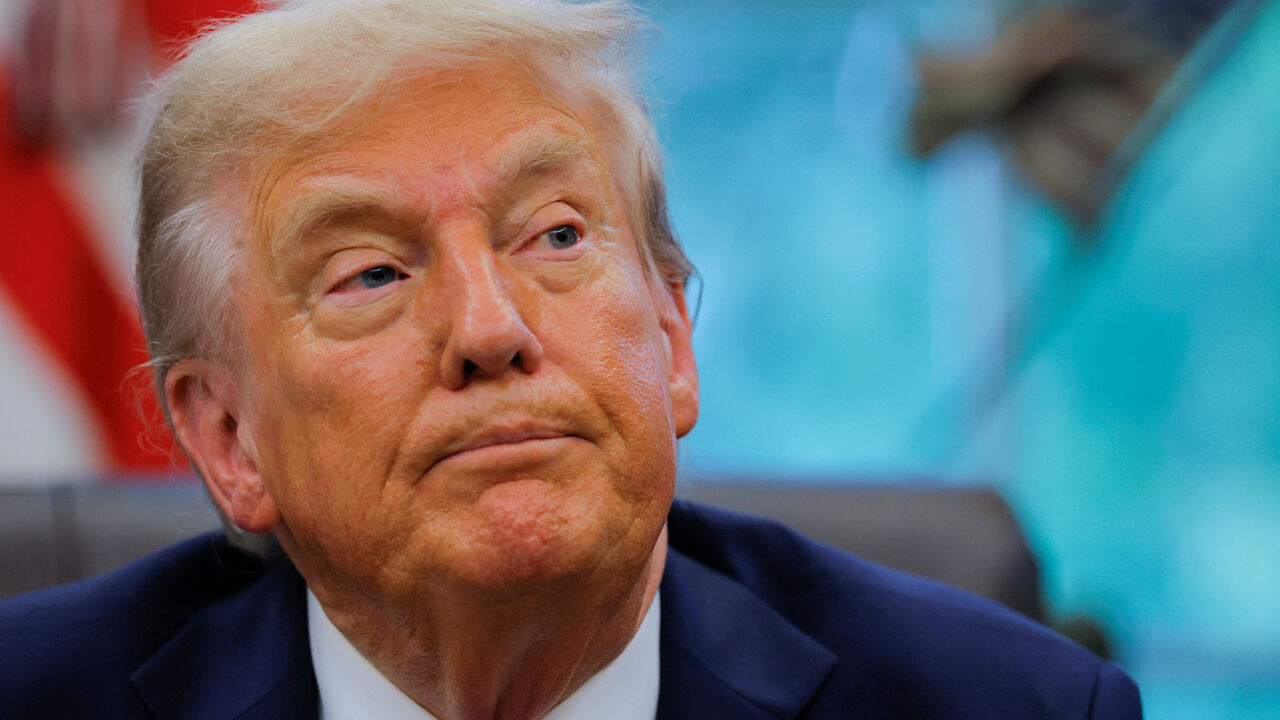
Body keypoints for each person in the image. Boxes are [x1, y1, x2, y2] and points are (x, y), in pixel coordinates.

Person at [0, 1, 1142, 718]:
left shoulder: (1009, 706)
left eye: (554, 236)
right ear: (226, 436)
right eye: (370, 274)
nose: (492, 329)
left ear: (672, 338)